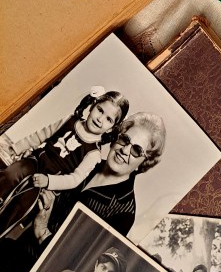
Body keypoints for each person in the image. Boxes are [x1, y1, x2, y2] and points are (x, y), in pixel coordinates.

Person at [0, 88, 129, 238]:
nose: (100, 119)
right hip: (35, 162)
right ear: (93, 105)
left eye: (109, 119)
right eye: (100, 110)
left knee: (24, 203)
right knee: (13, 173)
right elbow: (41, 135)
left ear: (112, 128)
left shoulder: (93, 154)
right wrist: (16, 148)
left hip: (48, 182)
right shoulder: (69, 120)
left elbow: (74, 179)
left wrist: (49, 181)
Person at [38, 113, 167, 244]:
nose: (124, 150)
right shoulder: (86, 158)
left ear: (144, 163)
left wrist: (42, 233)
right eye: (125, 139)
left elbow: (77, 255)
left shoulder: (124, 212)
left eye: (136, 150)